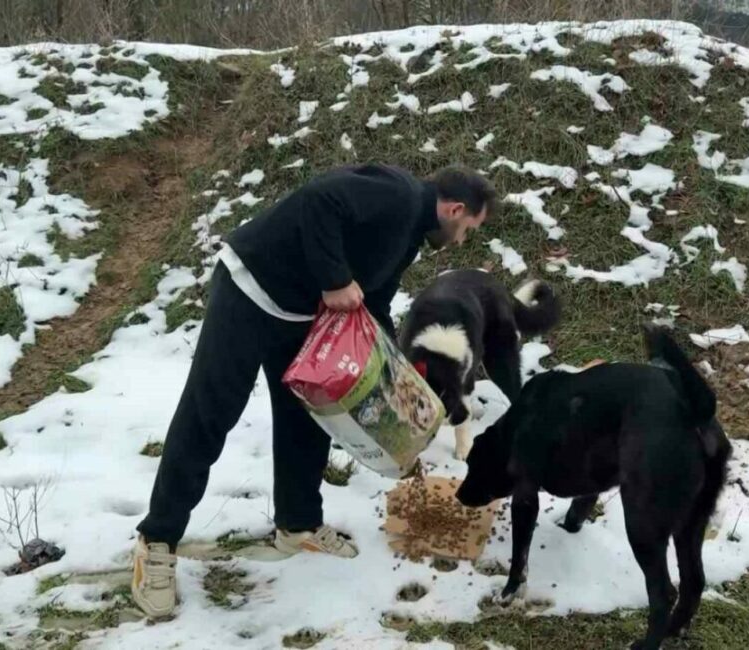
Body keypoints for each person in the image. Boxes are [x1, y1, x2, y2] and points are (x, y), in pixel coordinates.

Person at [130, 163, 497, 618]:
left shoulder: (408, 237)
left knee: (309, 417)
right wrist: (335, 279)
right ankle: (157, 541)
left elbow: (375, 300)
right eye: (466, 229)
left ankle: (298, 524)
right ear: (455, 209)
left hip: (300, 316)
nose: (461, 240)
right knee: (210, 414)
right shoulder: (399, 196)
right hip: (251, 290)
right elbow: (318, 201)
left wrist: (396, 375)